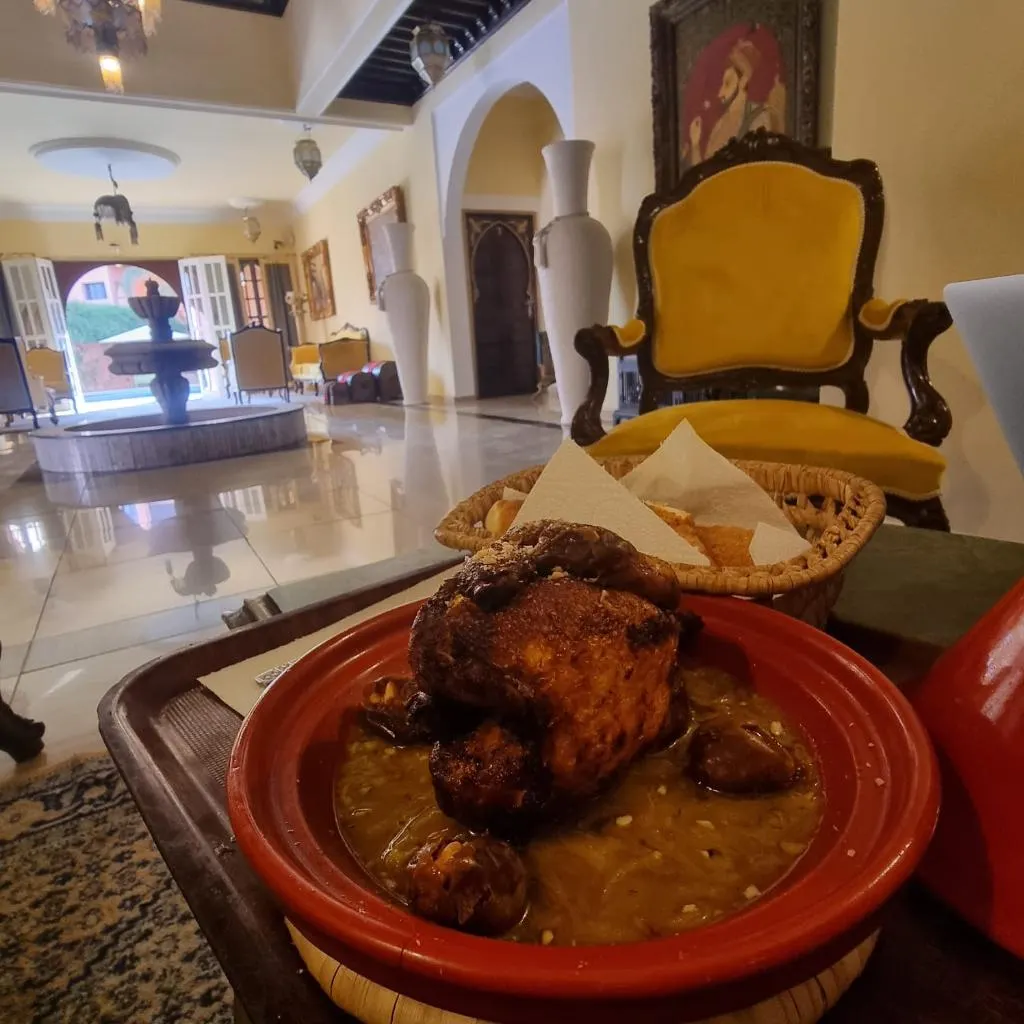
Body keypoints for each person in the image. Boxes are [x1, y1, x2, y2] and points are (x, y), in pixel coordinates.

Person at [686, 38, 786, 165]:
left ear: (743, 80)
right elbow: (705, 174)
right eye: (721, 85)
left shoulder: (759, 117)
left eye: (727, 83)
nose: (721, 93)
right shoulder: (720, 123)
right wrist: (695, 144)